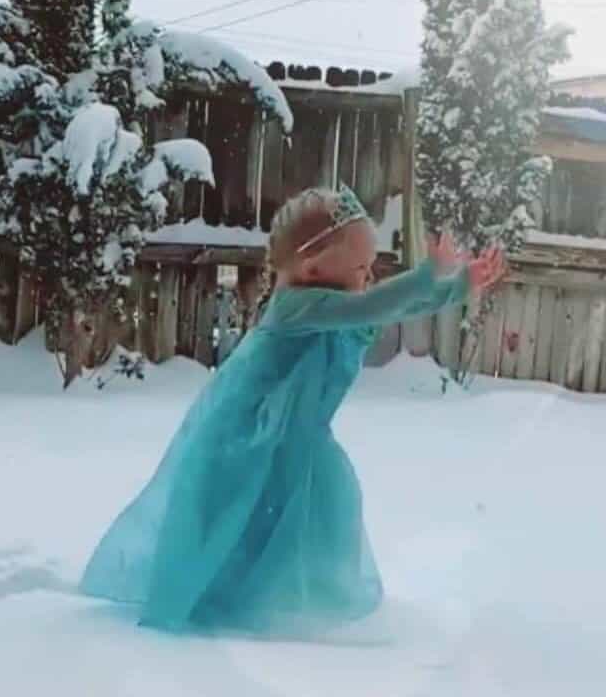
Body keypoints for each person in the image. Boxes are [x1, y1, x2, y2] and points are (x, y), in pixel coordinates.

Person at [79, 185, 507, 636]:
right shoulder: (298, 305)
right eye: (361, 267)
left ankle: (286, 603)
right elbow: (375, 304)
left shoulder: (333, 301)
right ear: (313, 266)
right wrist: (426, 275)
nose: (369, 275)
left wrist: (458, 285)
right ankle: (189, 603)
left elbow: (388, 306)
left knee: (315, 506)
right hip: (244, 433)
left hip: (291, 435)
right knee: (227, 514)